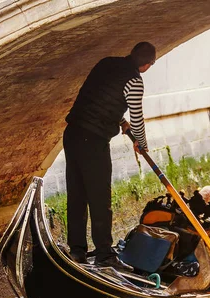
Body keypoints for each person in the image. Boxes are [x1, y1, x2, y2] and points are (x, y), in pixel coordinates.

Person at [63, 42, 156, 269]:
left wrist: (121, 122)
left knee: (77, 195)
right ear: (146, 65)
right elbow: (138, 118)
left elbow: (97, 97)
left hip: (73, 133)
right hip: (92, 141)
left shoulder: (106, 63)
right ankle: (105, 255)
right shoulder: (135, 81)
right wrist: (141, 143)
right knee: (99, 198)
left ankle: (77, 251)